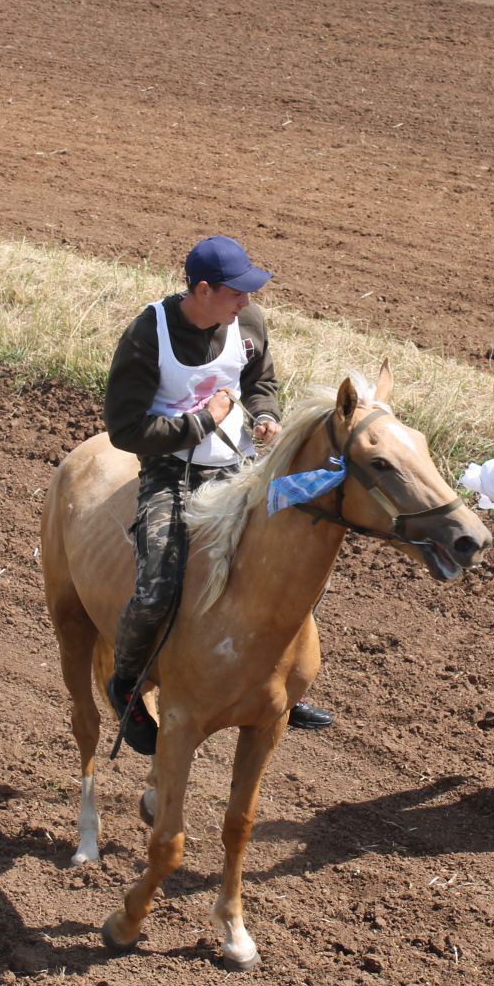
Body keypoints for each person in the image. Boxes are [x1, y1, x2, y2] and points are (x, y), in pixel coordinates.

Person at [102, 236, 335, 755]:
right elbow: (124, 429)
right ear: (203, 291)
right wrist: (203, 422)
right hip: (169, 473)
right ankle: (126, 683)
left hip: (241, 467)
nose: (246, 303)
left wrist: (268, 417)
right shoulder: (148, 334)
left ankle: (277, 684)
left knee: (291, 560)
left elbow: (261, 382)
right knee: (158, 585)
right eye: (237, 293)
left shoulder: (246, 325)